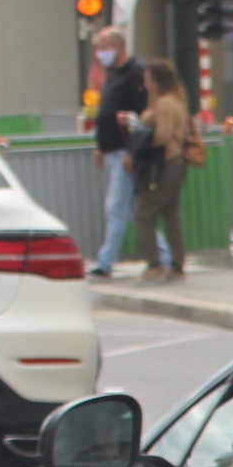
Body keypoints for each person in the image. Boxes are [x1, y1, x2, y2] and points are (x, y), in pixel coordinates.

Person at [88, 29, 157, 279]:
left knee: (116, 207)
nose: (100, 53)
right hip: (113, 150)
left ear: (118, 47)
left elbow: (141, 119)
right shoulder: (114, 75)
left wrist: (131, 151)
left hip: (124, 152)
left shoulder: (134, 74)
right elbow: (107, 113)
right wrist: (101, 145)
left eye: (103, 47)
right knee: (128, 211)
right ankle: (164, 256)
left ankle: (105, 263)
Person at [129, 60, 192, 285]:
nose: (145, 83)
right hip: (178, 162)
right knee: (171, 215)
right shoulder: (177, 101)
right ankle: (177, 264)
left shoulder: (164, 104)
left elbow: (162, 135)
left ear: (155, 80)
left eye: (147, 78)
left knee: (144, 214)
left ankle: (154, 264)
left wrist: (138, 149)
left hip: (165, 162)